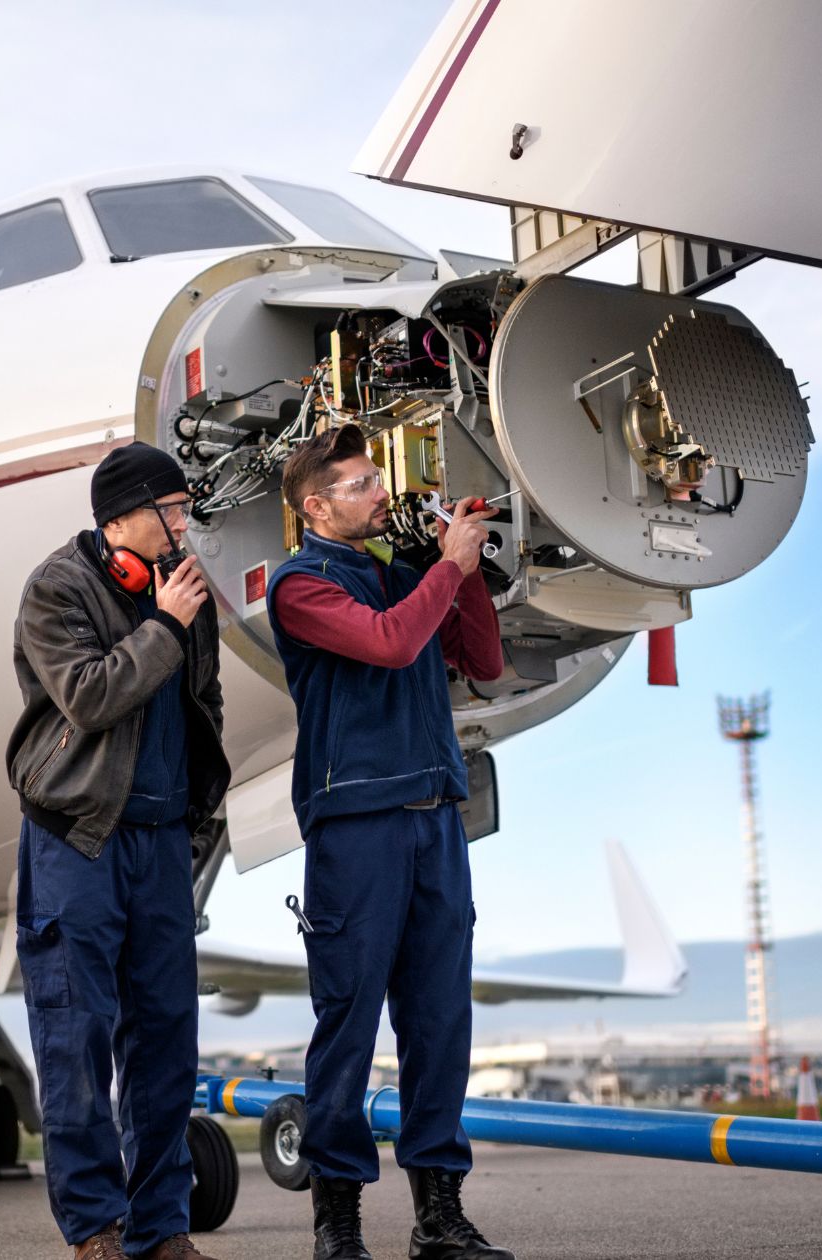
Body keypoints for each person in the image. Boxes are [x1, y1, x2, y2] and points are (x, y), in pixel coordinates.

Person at [264, 423, 511, 1260]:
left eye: (376, 478)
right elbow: (391, 642)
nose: (381, 491)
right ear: (316, 507)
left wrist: (460, 569)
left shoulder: (403, 577)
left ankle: (440, 1215)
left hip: (437, 818)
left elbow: (483, 658)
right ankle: (339, 1224)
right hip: (357, 826)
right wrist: (447, 568)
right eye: (363, 483)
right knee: (350, 1024)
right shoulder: (301, 584)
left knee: (441, 1025)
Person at [6, 441, 230, 1260]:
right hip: (79, 838)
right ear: (121, 518)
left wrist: (199, 816)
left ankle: (162, 1229)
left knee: (167, 1042)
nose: (182, 525)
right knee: (76, 1040)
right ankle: (94, 1231)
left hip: (163, 842)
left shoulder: (186, 593)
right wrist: (166, 623)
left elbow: (203, 703)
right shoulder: (56, 589)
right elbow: (90, 696)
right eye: (169, 513)